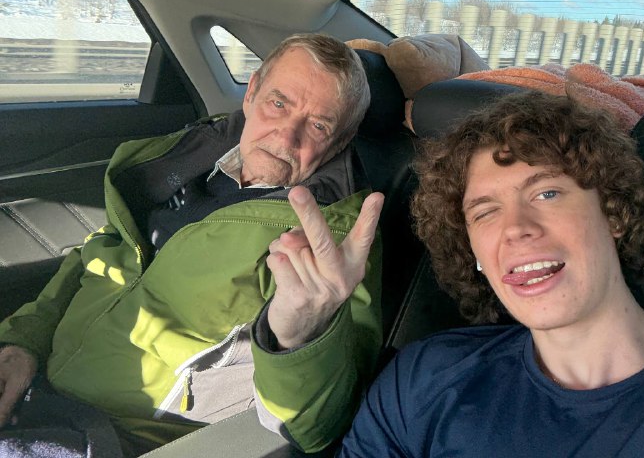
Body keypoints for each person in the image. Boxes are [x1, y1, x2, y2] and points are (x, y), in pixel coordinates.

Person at [338, 90, 644, 457]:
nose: (516, 228)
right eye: (485, 212)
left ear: (613, 213)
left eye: (547, 194)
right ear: (473, 250)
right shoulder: (424, 378)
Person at [0, 33, 384, 456]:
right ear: (252, 93)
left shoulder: (331, 245)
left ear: (340, 142)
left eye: (318, 125)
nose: (287, 136)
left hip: (118, 437)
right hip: (34, 386)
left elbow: (317, 428)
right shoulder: (187, 162)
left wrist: (302, 337)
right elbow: (99, 256)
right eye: (279, 103)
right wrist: (22, 343)